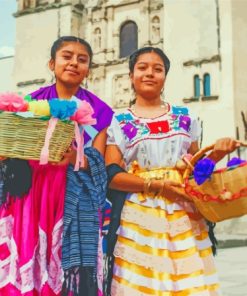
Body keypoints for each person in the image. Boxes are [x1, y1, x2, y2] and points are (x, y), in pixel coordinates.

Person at [105, 47, 238, 295]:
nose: (150, 73)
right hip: (140, 215)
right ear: (131, 75)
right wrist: (155, 186)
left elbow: (199, 174)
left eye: (158, 69)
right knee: (144, 282)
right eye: (142, 67)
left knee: (186, 281)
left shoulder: (186, 116)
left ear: (166, 76)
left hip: (184, 211)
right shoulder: (119, 120)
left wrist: (218, 153)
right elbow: (111, 176)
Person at [0, 36, 113, 296]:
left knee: (67, 271)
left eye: (82, 59)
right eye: (67, 56)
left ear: (88, 69)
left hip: (72, 197)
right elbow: (17, 147)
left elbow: (99, 164)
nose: (74, 63)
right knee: (31, 253)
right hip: (33, 195)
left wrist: (75, 159)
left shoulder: (101, 112)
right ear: (52, 63)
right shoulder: (31, 103)